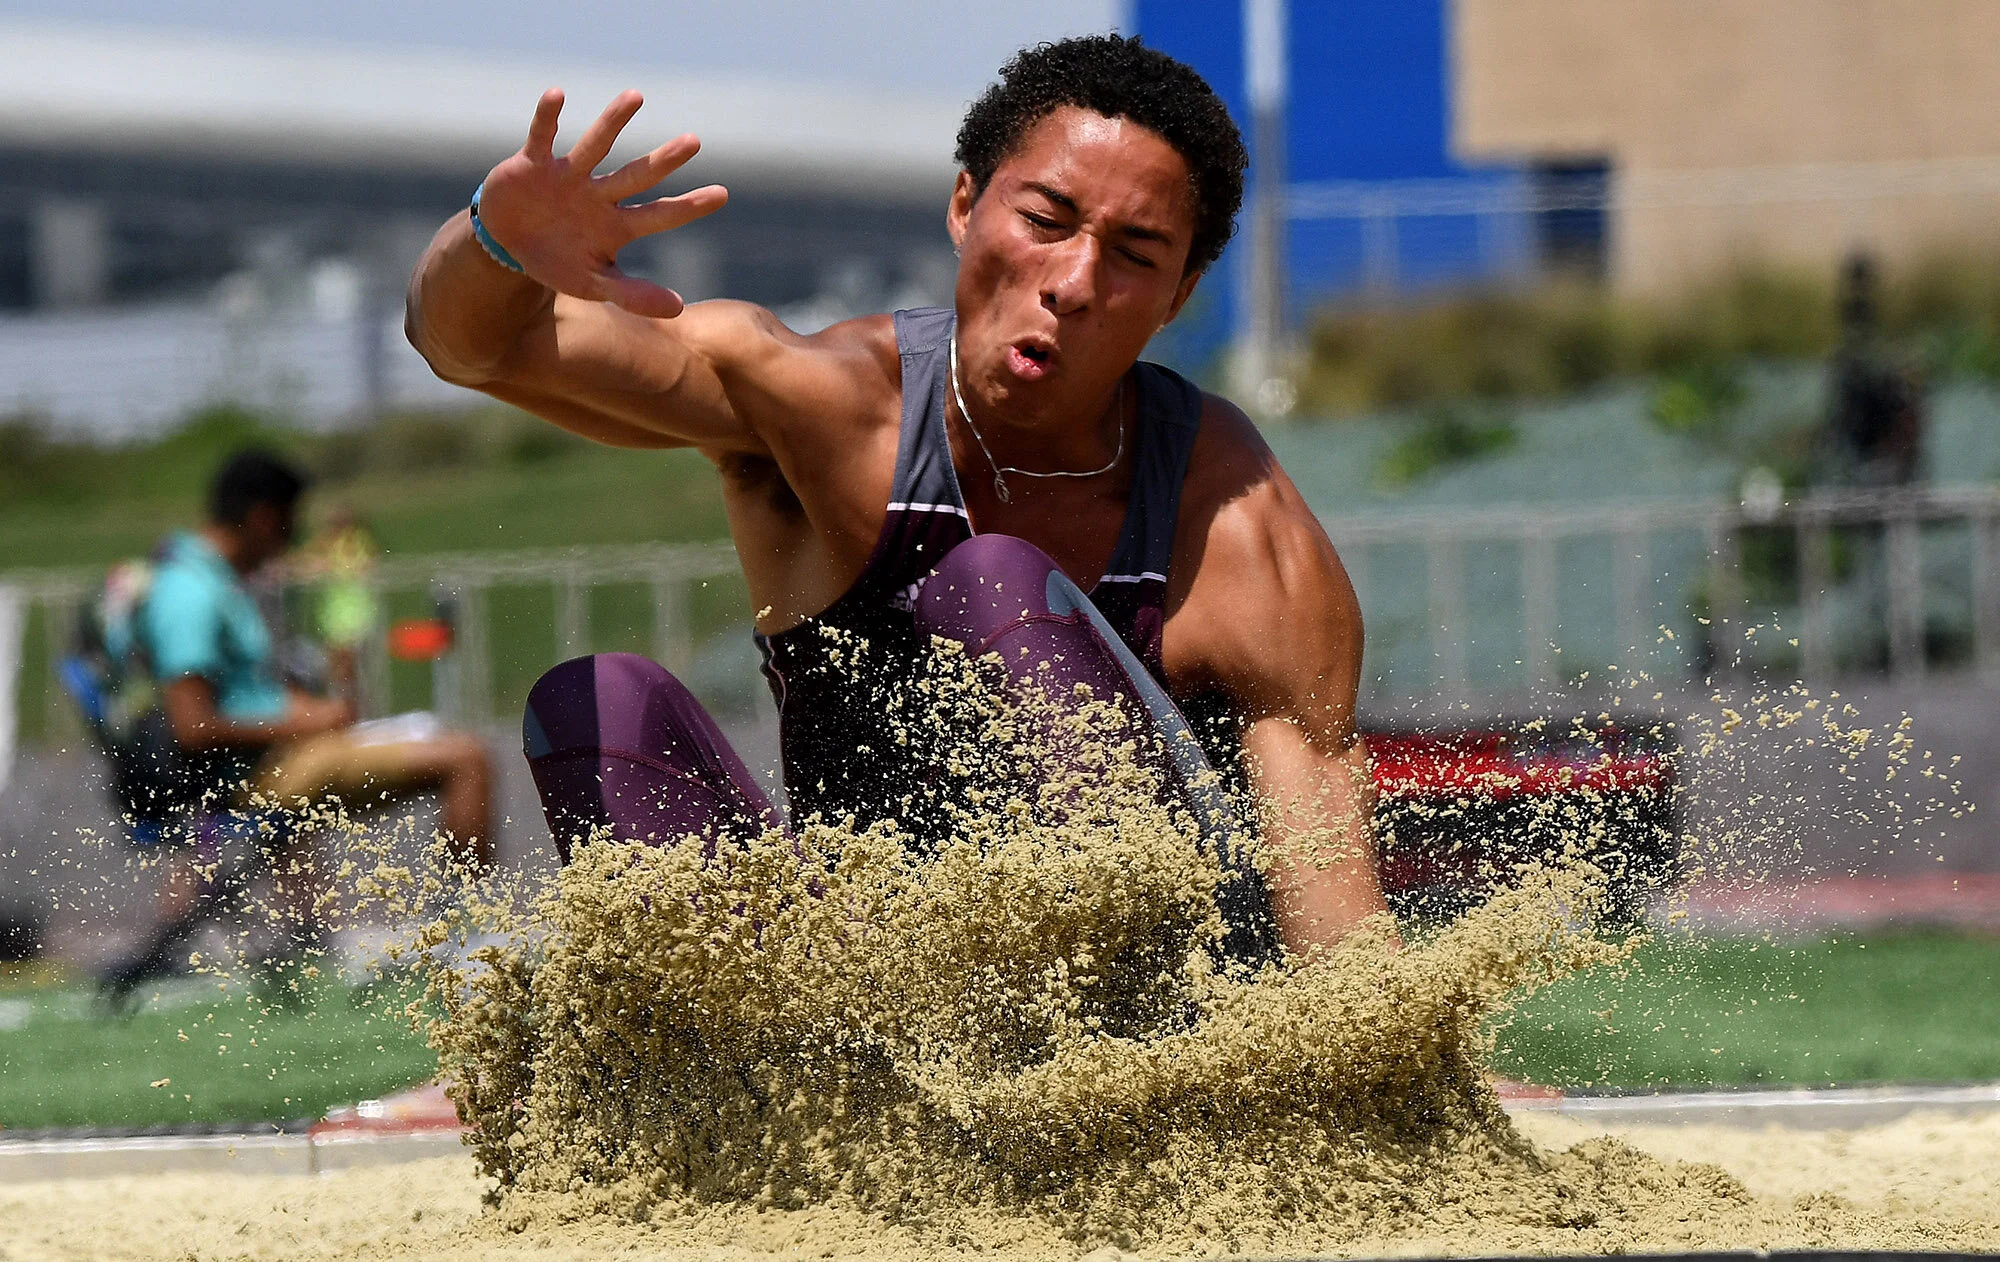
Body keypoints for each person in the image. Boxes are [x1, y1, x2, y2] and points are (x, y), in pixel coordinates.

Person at [407, 35, 1385, 961]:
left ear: (1178, 293)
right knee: (595, 705)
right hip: (882, 1011)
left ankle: (1095, 1087)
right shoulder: (822, 402)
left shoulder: (1224, 507)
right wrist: (493, 244)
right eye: (1044, 221)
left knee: (992, 582)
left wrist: (1371, 1062)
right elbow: (475, 347)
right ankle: (715, 1102)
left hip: (1153, 1011)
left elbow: (1324, 860)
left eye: (1133, 254)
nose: (1073, 281)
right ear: (965, 206)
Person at [98, 449, 495, 1001]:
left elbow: (233, 694)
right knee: (466, 758)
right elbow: (193, 726)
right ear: (264, 516)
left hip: (274, 759)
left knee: (444, 745)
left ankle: (409, 939)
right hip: (256, 776)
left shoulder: (211, 579)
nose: (295, 533)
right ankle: (458, 944)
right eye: (291, 519)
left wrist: (304, 713)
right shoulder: (189, 592)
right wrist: (305, 718)